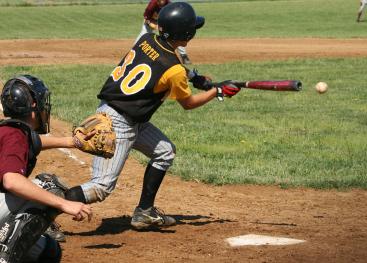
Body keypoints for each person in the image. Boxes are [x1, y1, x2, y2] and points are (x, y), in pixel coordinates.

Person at [64, 2, 241, 230]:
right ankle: (42, 206)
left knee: (164, 151)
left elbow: (161, 62)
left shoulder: (147, 40)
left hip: (122, 113)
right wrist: (216, 91)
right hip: (119, 123)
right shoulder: (174, 70)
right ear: (187, 35)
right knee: (101, 187)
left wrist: (195, 77)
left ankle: (144, 212)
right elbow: (188, 103)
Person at [0, 75, 92, 262]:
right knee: (50, 186)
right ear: (33, 108)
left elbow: (34, 142)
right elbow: (11, 180)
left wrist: (72, 142)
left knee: (48, 251)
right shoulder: (14, 136)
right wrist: (64, 204)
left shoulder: (11, 131)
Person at [135, 0, 193, 65]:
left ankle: (184, 56)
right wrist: (153, 25)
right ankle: (135, 51)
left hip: (164, 23)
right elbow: (146, 18)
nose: (162, 1)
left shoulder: (169, 4)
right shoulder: (152, 4)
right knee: (142, 36)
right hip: (151, 22)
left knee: (176, 35)